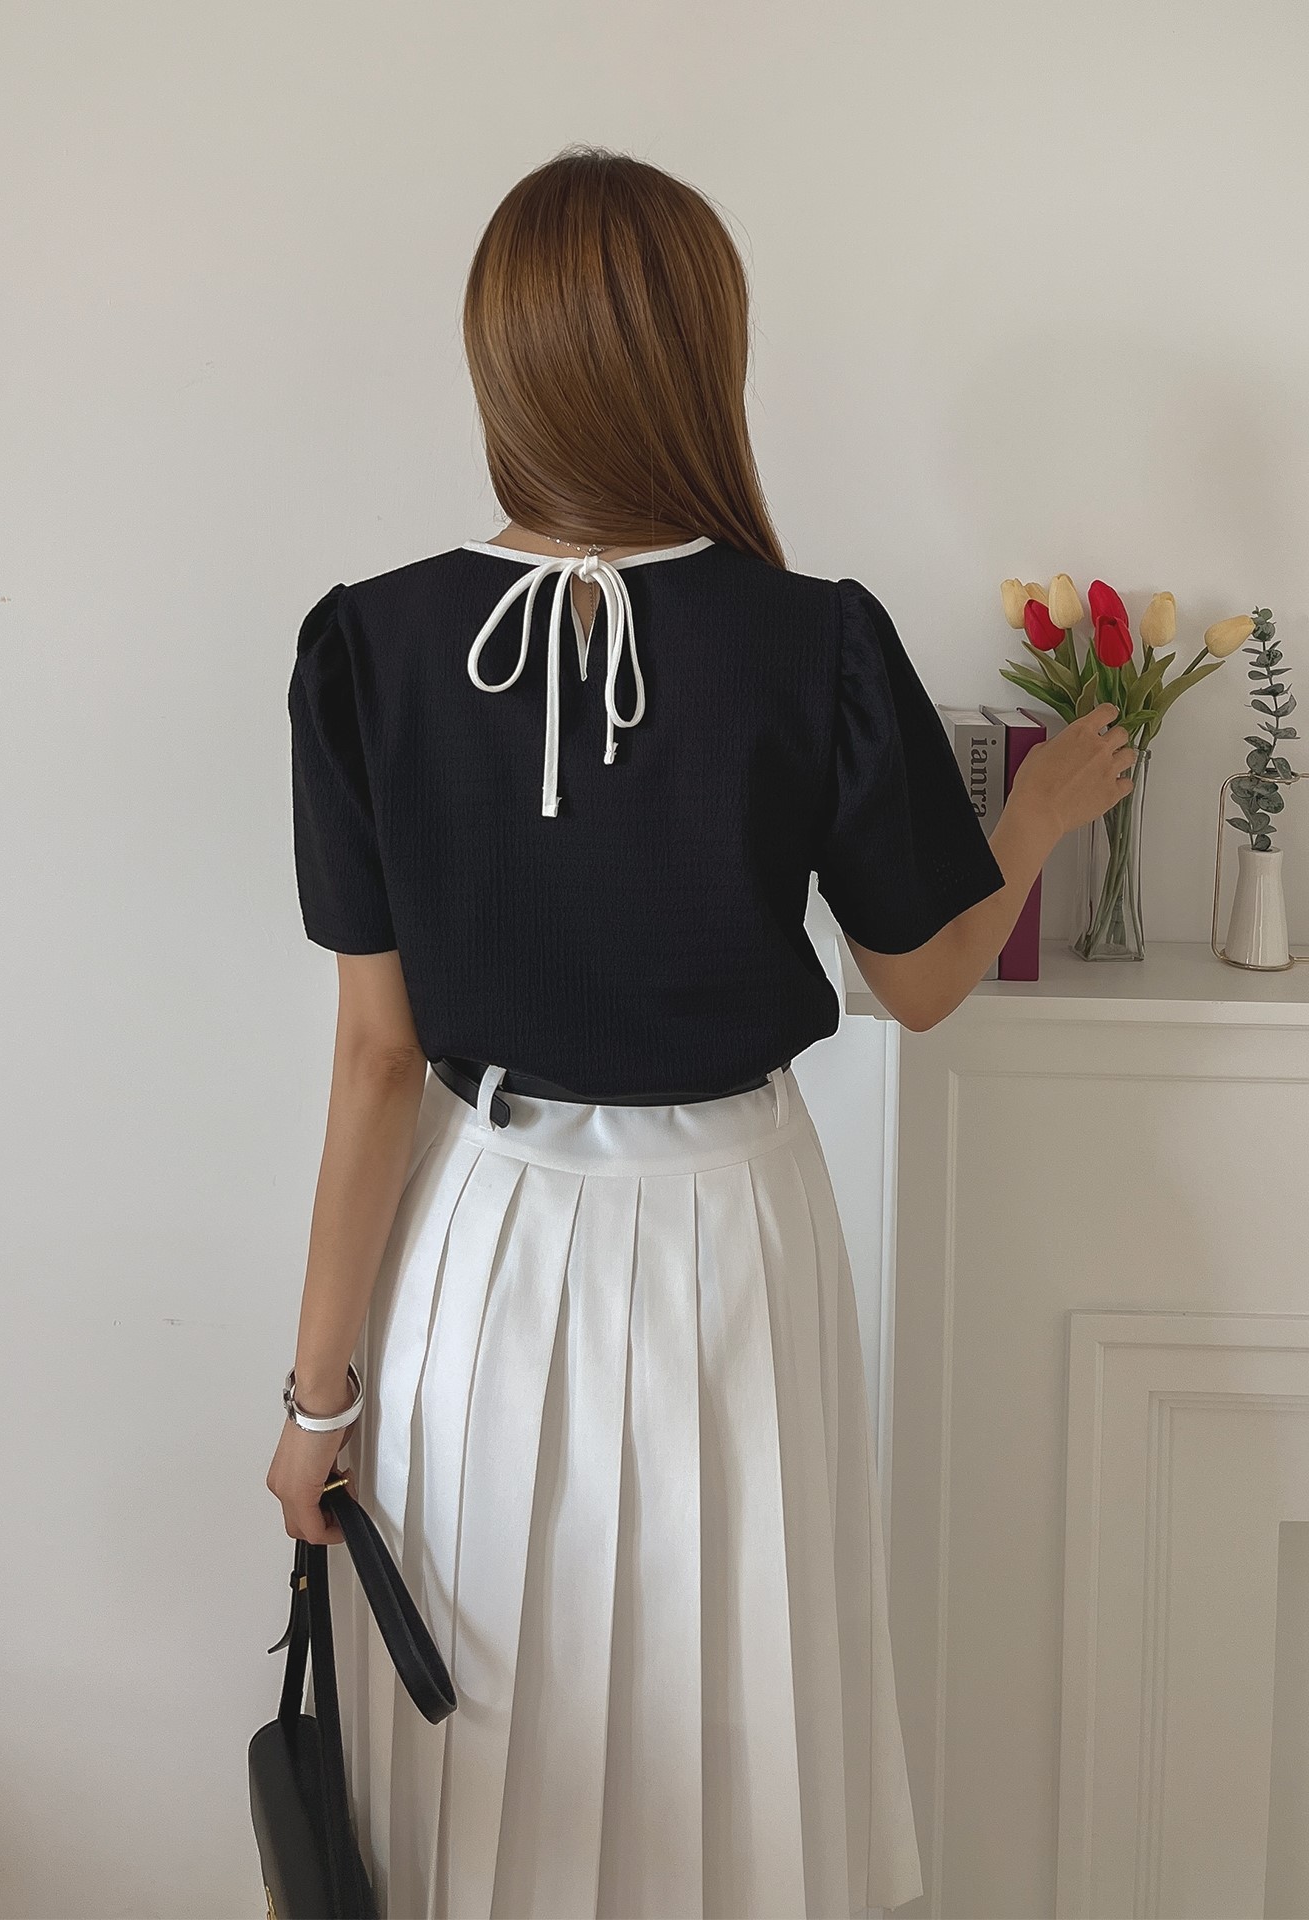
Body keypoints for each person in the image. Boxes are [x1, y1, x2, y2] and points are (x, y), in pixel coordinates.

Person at [265, 146, 1135, 1920]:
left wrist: (315, 1399)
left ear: (502, 362)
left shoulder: (367, 647)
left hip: (479, 1234)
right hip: (735, 1227)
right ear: (705, 356)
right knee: (734, 1691)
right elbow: (920, 982)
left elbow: (375, 1061)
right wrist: (1036, 818)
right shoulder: (817, 643)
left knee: (484, 1725)